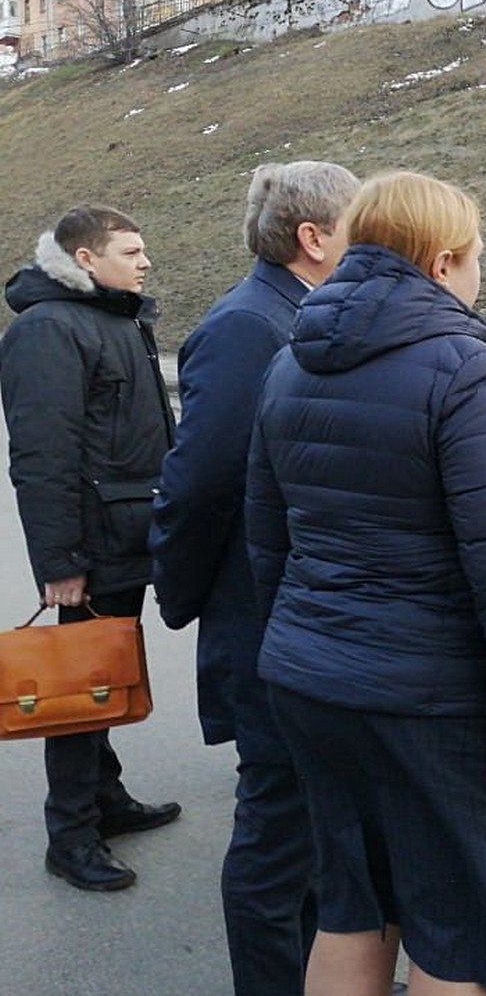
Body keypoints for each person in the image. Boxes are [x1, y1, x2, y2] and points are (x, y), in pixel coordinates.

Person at [245, 171, 486, 996]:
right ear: (441, 260)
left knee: (352, 909)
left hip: (313, 683)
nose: (477, 278)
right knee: (456, 933)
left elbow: (266, 539)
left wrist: (306, 648)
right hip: (436, 703)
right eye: (474, 259)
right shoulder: (466, 368)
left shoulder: (291, 359)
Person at [149, 161, 358, 994]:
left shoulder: (294, 312)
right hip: (266, 619)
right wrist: (185, 592)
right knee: (276, 838)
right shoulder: (248, 325)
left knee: (309, 825)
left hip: (298, 618)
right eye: (358, 227)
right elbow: (198, 483)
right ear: (312, 239)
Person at [0, 205, 180, 892]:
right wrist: (60, 563)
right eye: (131, 250)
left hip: (131, 526)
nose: (144, 261)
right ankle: (70, 833)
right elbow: (42, 459)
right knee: (78, 683)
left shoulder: (119, 318)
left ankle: (106, 797)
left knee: (105, 668)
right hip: (93, 542)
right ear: (84, 257)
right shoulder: (47, 330)